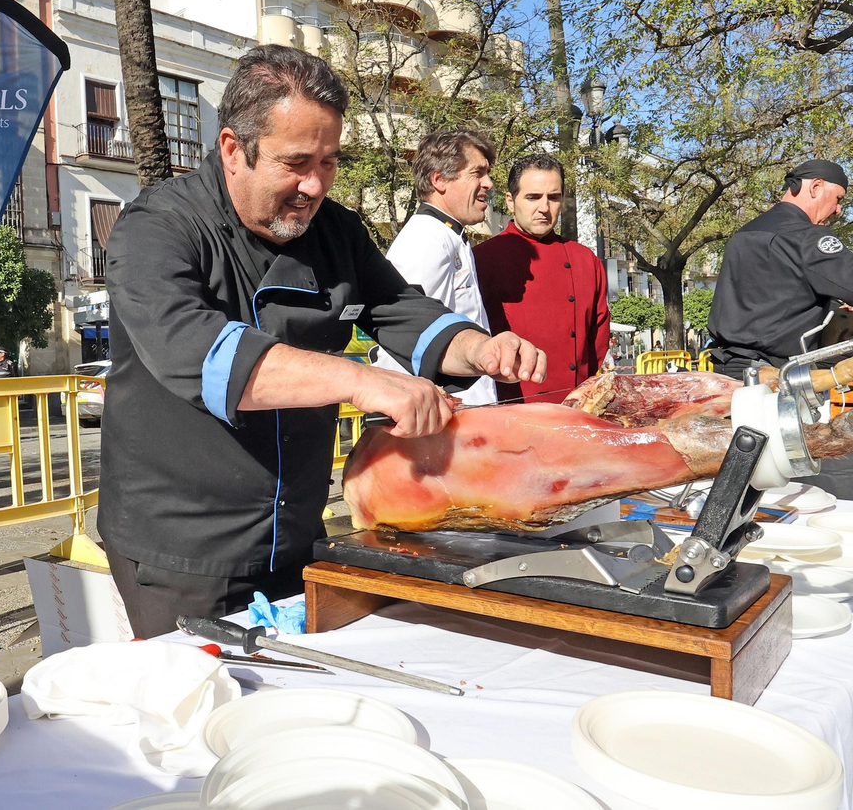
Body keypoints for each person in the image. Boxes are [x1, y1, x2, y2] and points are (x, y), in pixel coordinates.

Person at [100, 45, 545, 638]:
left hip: (296, 527)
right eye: (295, 163)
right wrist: (362, 380)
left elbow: (399, 307)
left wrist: (478, 348)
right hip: (182, 546)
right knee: (202, 692)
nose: (313, 186)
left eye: (329, 162)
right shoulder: (158, 226)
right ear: (233, 149)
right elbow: (194, 351)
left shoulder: (336, 230)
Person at [707, 159, 853, 377]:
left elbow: (774, 299)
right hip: (770, 376)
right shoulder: (805, 236)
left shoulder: (743, 234)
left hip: (725, 370)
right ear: (815, 187)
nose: (838, 210)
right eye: (838, 199)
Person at [373, 130, 499, 404]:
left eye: (488, 173)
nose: (489, 183)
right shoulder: (425, 238)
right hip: (443, 417)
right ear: (439, 180)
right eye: (477, 173)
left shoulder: (447, 234)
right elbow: (404, 336)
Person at [473, 154, 611, 403]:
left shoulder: (585, 260)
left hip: (574, 405)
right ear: (510, 201)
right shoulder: (481, 259)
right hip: (508, 408)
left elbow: (598, 339)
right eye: (533, 197)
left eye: (553, 197)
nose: (544, 208)